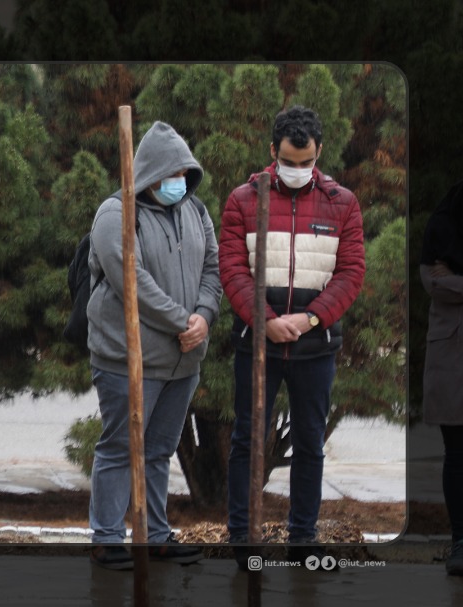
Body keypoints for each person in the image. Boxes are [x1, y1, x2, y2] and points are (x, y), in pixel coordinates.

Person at [220, 106, 366, 568]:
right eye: (288, 161)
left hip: (315, 348)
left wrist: (309, 319)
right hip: (257, 344)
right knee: (248, 440)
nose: (297, 170)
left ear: (319, 152)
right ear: (272, 151)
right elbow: (232, 269)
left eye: (306, 162)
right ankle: (242, 537)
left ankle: (303, 537)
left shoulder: (342, 203)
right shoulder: (243, 200)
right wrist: (264, 320)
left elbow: (351, 272)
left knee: (309, 443)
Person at [85, 121, 220, 570]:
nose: (178, 181)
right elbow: (132, 282)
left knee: (160, 450)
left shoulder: (196, 211)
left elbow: (213, 269)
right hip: (127, 359)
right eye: (169, 173)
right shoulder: (116, 214)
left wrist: (204, 316)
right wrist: (183, 321)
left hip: (184, 359)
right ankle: (106, 538)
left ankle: (155, 535)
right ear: (148, 173)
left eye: (184, 173)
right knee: (120, 447)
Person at [420, 179, 463, 576]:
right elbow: (433, 281)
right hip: (453, 360)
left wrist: (456, 280)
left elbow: (448, 283)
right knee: (457, 454)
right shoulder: (442, 227)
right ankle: (460, 541)